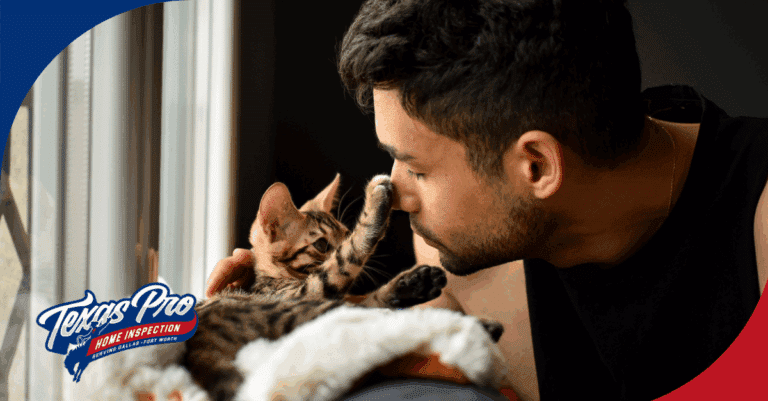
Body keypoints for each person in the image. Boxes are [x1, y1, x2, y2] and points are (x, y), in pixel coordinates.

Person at [206, 0, 768, 400]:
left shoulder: (758, 223)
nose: (393, 193)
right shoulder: (455, 261)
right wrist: (260, 337)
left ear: (537, 166)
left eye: (418, 169)